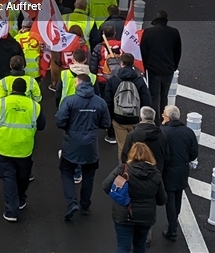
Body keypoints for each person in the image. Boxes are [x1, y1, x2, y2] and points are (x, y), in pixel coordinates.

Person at [56, 74, 111, 221]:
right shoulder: (99, 102)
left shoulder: (70, 101)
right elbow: (106, 123)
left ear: (79, 83)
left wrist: (70, 128)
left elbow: (60, 121)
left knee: (67, 172)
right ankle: (85, 205)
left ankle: (71, 202)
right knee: (89, 176)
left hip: (71, 144)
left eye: (75, 82)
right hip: (91, 145)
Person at [102, 142, 167, 253]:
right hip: (145, 217)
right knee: (140, 245)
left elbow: (106, 186)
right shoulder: (155, 174)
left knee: (123, 247)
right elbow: (162, 199)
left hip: (124, 214)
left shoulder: (123, 169)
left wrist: (118, 197)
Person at [0, 77, 44, 222]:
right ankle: (21, 198)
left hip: (5, 146)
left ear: (12, 89)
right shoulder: (34, 105)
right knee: (23, 176)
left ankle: (11, 210)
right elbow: (41, 125)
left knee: (8, 177)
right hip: (25, 147)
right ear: (25, 90)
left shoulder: (2, 103)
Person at [160, 105, 199, 242]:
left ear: (168, 118)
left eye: (164, 114)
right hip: (182, 169)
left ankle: (172, 229)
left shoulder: (162, 131)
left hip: (168, 170)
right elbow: (194, 153)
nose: (162, 116)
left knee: (169, 199)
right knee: (178, 196)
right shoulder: (188, 132)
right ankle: (174, 220)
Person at [104, 53, 152, 161]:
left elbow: (108, 101)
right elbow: (146, 100)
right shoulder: (139, 80)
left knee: (122, 147)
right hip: (135, 119)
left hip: (119, 119)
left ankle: (124, 171)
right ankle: (136, 168)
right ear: (132, 64)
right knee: (137, 146)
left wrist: (111, 119)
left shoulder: (113, 80)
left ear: (121, 63)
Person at [140, 11, 181, 124]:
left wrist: (144, 67)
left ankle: (156, 121)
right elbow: (178, 52)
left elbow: (143, 51)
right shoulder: (174, 32)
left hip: (153, 69)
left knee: (154, 97)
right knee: (164, 96)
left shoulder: (148, 32)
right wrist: (174, 66)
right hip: (168, 69)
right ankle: (165, 119)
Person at [121, 107, 169, 178]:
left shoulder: (133, 135)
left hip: (135, 173)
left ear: (140, 118)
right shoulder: (161, 135)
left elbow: (124, 155)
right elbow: (166, 156)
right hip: (156, 173)